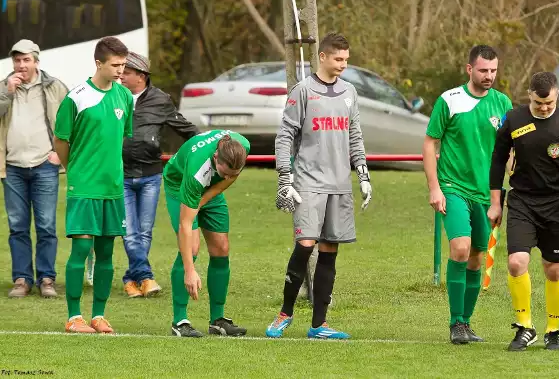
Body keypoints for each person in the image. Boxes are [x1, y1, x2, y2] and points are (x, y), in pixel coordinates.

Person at [265, 32, 372, 340]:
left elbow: (355, 136)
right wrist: (285, 177)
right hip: (308, 182)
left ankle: (319, 325)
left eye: (346, 60)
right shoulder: (303, 91)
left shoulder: (349, 92)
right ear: (322, 57)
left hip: (340, 184)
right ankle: (285, 313)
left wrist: (363, 174)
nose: (343, 65)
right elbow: (284, 136)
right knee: (305, 244)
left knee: (329, 249)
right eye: (338, 59)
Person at [488, 71, 559, 351]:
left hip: (557, 203)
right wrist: (496, 202)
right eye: (538, 103)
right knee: (515, 262)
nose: (544, 108)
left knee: (554, 269)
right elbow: (498, 160)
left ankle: (553, 329)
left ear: (556, 94)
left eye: (548, 103)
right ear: (529, 96)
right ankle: (525, 327)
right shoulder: (514, 119)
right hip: (522, 201)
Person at [423, 45, 513, 344]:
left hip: (487, 194)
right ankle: (454, 324)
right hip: (453, 187)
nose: (489, 76)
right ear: (469, 69)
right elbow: (430, 143)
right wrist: (435, 187)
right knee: (460, 249)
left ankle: (465, 322)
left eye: (493, 71)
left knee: (476, 258)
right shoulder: (449, 100)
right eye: (483, 70)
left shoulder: (502, 103)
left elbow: (509, 151)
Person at [53, 36, 134, 333]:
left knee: (107, 253)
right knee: (81, 248)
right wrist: (73, 169)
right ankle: (74, 317)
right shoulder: (76, 97)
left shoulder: (124, 97)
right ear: (98, 63)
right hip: (84, 185)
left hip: (112, 187)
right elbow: (61, 139)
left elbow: (120, 136)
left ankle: (98, 315)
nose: (120, 71)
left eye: (123, 65)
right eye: (115, 65)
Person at [118, 51, 199, 298]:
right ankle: (146, 277)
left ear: (141, 76)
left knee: (143, 231)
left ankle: (131, 281)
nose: (121, 76)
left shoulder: (160, 99)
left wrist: (200, 153)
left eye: (127, 73)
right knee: (129, 231)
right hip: (120, 176)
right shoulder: (113, 96)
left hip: (151, 176)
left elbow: (188, 130)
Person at [163, 129, 250, 338]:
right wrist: (189, 271)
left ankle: (217, 320)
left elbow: (228, 177)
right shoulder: (196, 170)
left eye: (234, 173)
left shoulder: (242, 148)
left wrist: (206, 199)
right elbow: (185, 224)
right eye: (225, 172)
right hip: (180, 185)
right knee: (191, 248)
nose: (230, 177)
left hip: (211, 186)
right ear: (215, 157)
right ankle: (180, 321)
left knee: (221, 248)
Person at [0, 39, 67, 298]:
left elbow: (71, 121)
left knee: (46, 226)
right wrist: (7, 92)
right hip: (13, 168)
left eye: (26, 60)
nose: (21, 65)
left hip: (44, 166)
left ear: (36, 62)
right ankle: (22, 279)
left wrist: (58, 153)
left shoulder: (54, 87)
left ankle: (47, 279)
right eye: (17, 60)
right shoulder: (4, 87)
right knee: (18, 227)